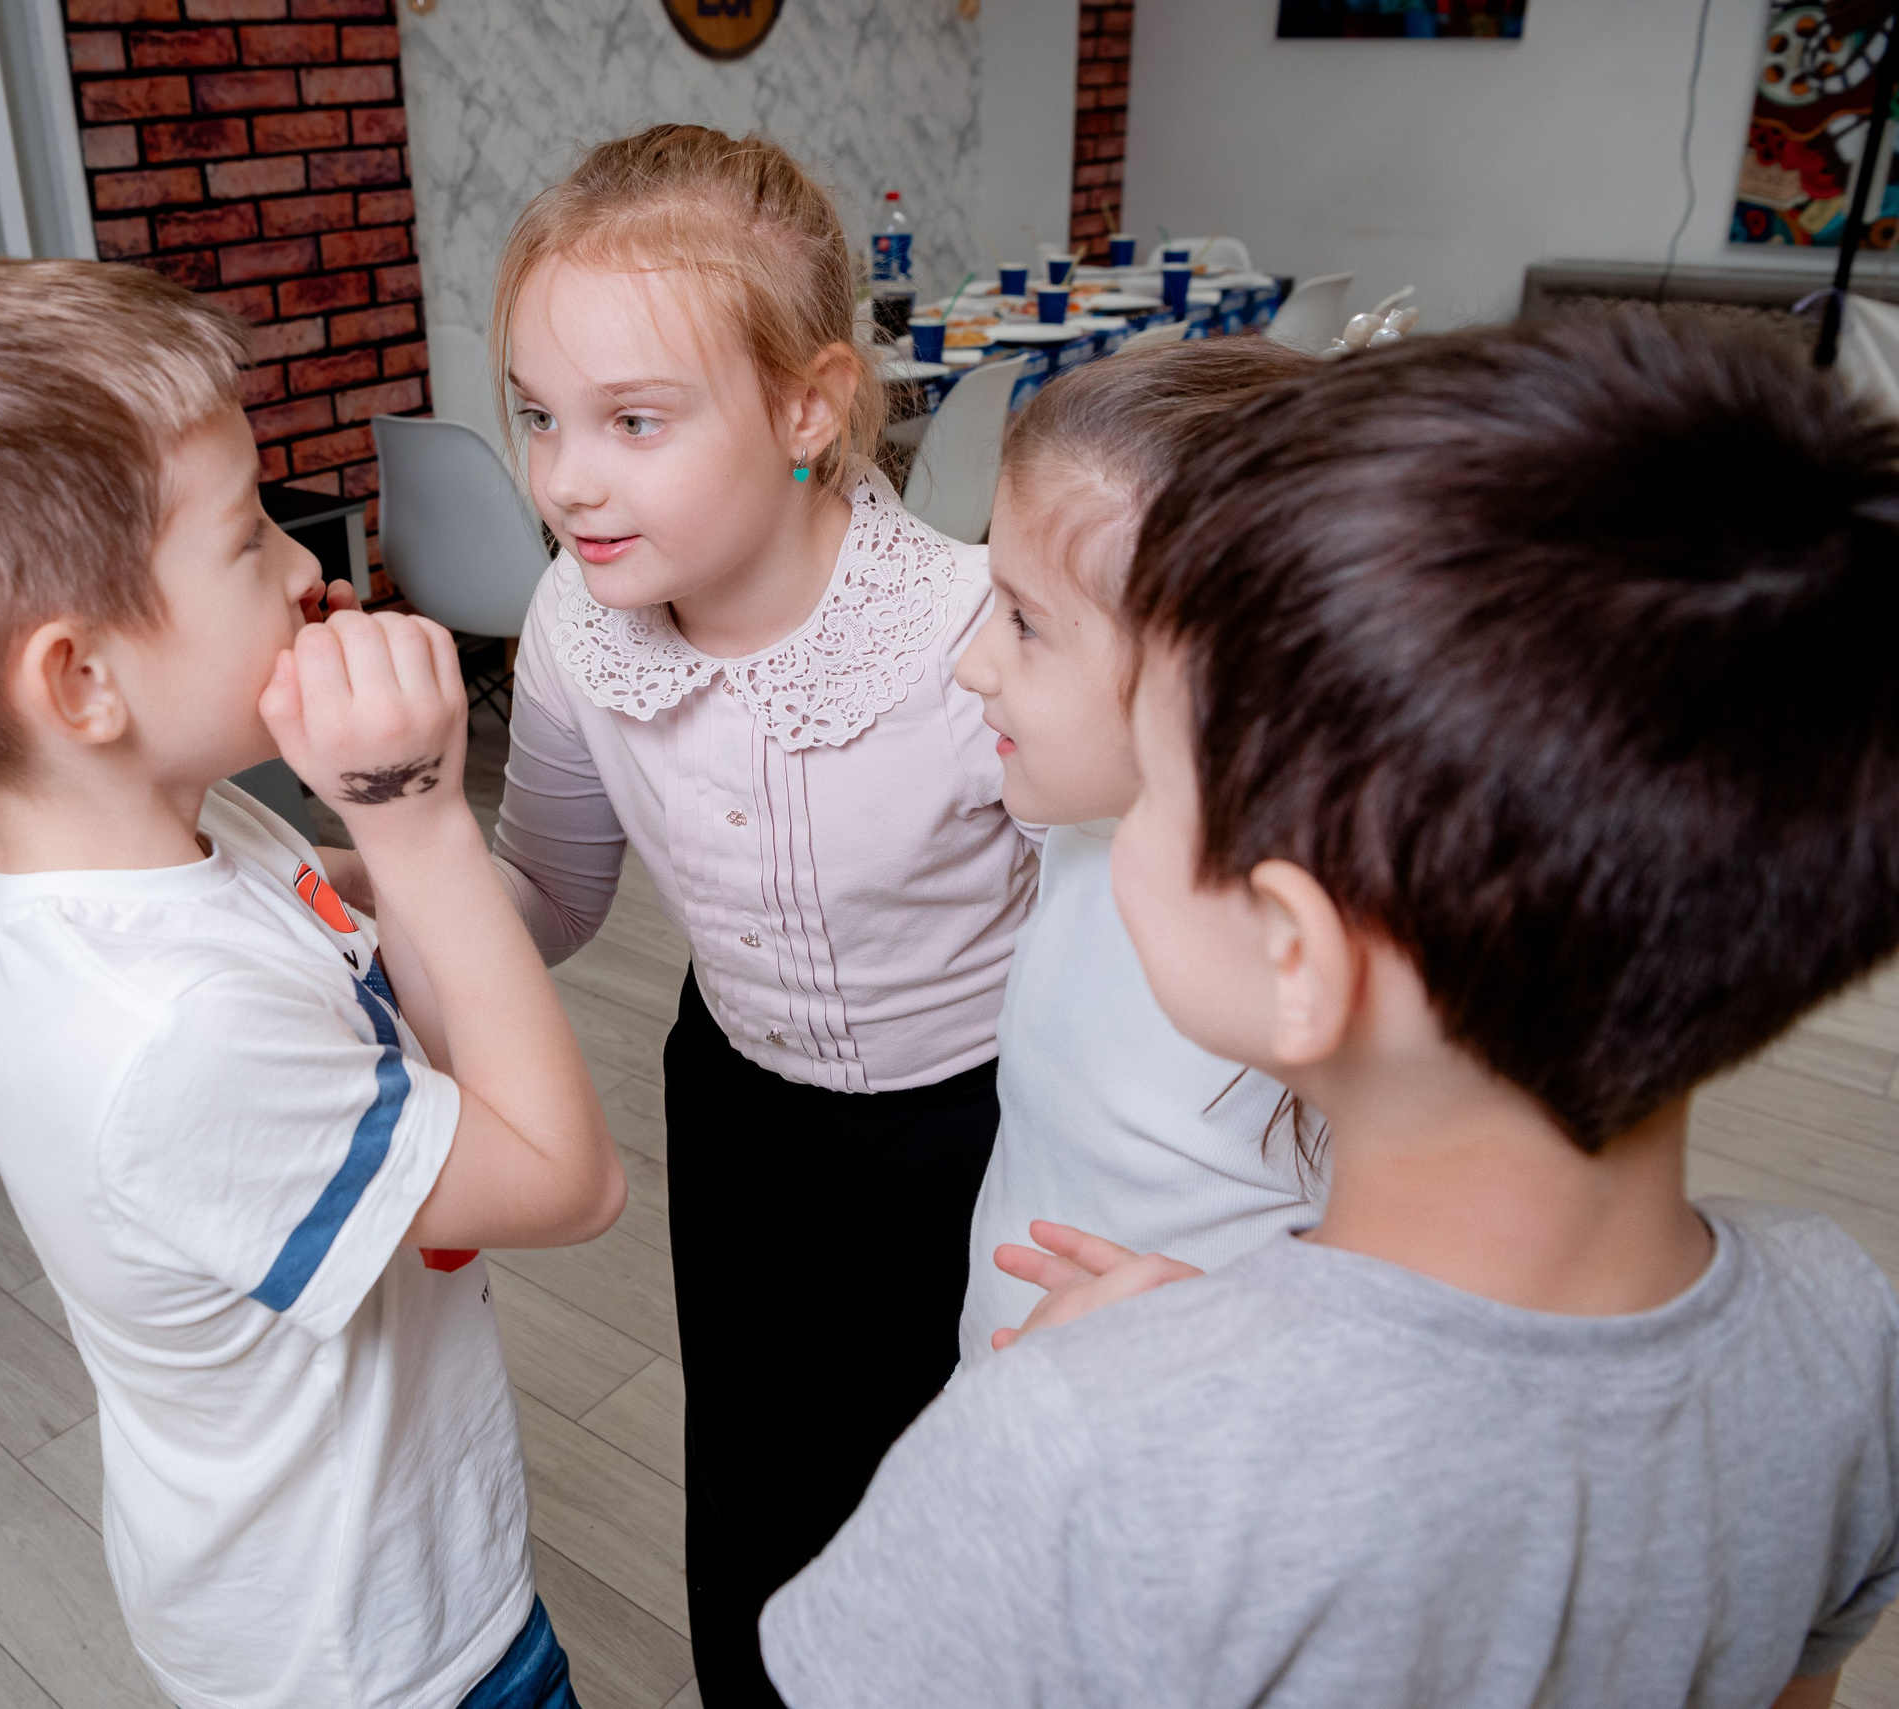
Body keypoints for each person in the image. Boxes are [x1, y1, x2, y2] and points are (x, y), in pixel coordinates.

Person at [759, 310, 1899, 1706]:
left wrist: (1145, 1400)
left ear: (1297, 949)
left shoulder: (1069, 1452)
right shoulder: (1851, 1340)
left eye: (1168, 783)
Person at [0, 247, 627, 1709]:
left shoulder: (155, 840)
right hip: (380, 1660)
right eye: (248, 537)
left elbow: (368, 985)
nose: (310, 567)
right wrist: (421, 819)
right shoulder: (167, 1032)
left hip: (388, 1571)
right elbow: (568, 1181)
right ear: (78, 684)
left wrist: (379, 866)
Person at [473, 124, 1030, 1707]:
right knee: (766, 1488)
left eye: (634, 419)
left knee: (965, 1499)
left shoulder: (964, 632)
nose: (569, 476)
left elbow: (1117, 934)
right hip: (741, 1122)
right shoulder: (579, 624)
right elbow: (555, 896)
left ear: (808, 407)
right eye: (539, 415)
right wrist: (386, 892)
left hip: (981, 1130)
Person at [950, 336, 1325, 1371]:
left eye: (1024, 622)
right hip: (1009, 1377)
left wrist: (1234, 1340)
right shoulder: (1082, 821)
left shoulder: (1318, 974)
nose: (972, 660)